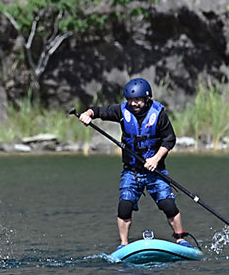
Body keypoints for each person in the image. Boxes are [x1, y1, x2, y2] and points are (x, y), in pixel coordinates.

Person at [78, 78, 192, 249]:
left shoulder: (158, 114)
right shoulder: (122, 111)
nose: (134, 104)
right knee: (125, 206)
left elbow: (170, 139)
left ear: (147, 99)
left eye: (138, 100)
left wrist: (155, 159)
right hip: (132, 171)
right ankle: (124, 245)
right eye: (131, 100)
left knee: (168, 204)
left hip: (155, 170)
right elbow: (98, 111)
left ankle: (180, 239)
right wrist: (87, 115)